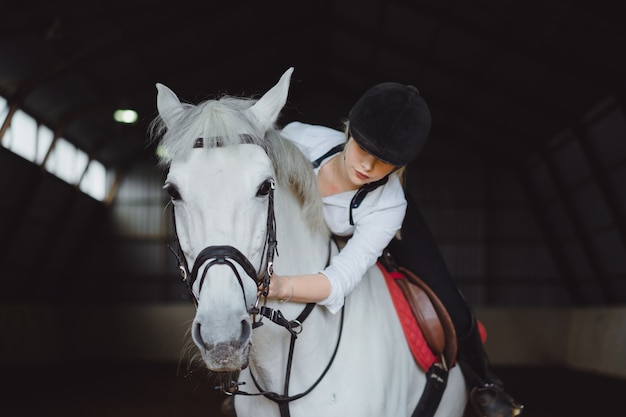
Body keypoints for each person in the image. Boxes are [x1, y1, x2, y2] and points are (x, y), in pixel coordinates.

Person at [266, 82, 523, 417]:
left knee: (453, 306)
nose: (368, 168)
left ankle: (484, 383)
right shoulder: (299, 138)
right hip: (308, 231)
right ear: (349, 131)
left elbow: (339, 281)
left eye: (385, 161)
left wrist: (284, 286)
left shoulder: (389, 204)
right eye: (363, 150)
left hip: (382, 224)